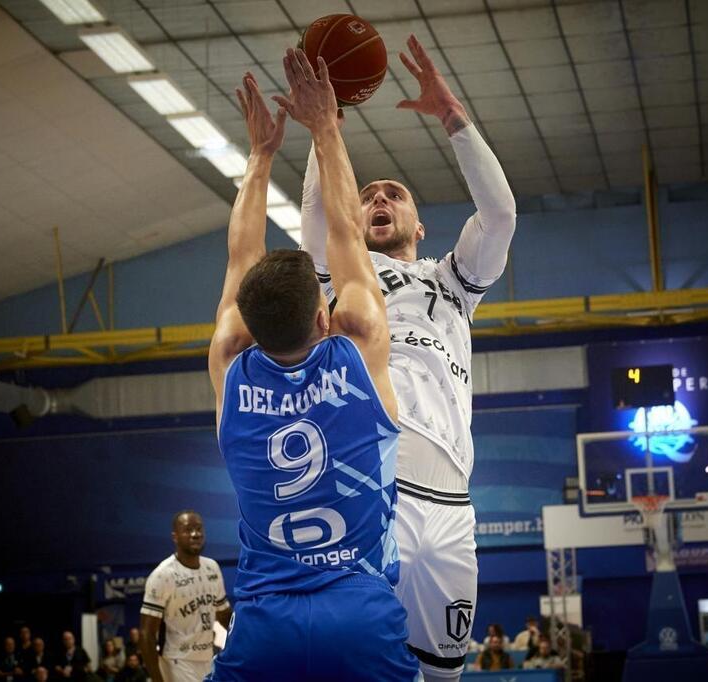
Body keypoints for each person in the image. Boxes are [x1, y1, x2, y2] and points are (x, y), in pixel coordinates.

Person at [298, 33, 516, 682]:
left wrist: (455, 118)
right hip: (372, 473)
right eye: (367, 196)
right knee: (361, 666)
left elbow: (500, 214)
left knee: (443, 674)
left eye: (393, 194)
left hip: (451, 498)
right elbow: (318, 217)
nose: (380, 200)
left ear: (420, 226)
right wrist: (323, 129)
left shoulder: (452, 279)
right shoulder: (341, 277)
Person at [204, 51, 419, 681]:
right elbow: (349, 237)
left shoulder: (229, 364)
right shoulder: (359, 345)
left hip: (263, 619)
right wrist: (325, 128)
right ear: (325, 318)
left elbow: (240, 254)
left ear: (247, 325)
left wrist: (260, 156)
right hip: (358, 609)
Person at [140, 511, 231, 682]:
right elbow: (146, 634)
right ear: (175, 536)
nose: (195, 534)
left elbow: (224, 615)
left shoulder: (212, 567)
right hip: (177, 662)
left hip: (207, 659)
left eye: (198, 529)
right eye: (188, 530)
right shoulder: (163, 575)